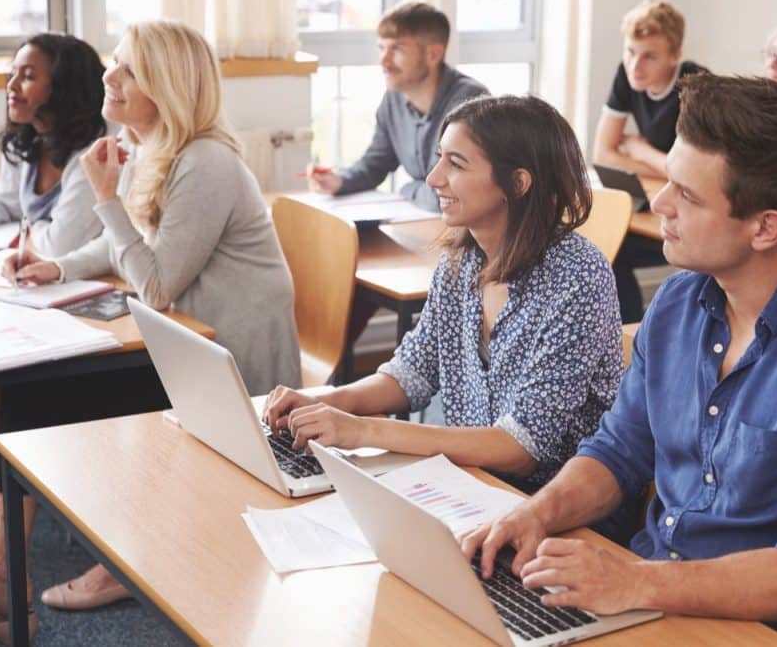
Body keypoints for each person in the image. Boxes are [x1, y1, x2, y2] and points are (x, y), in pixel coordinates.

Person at [462, 75, 777, 647]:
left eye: (687, 194)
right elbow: (620, 451)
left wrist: (636, 581)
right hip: (652, 597)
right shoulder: (681, 300)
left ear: (765, 228)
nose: (659, 203)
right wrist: (536, 513)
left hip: (753, 629)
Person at [0, 21, 301, 629]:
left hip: (226, 366)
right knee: (12, 398)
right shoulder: (155, 147)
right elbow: (125, 251)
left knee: (26, 403)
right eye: (115, 63)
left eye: (128, 69)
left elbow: (156, 283)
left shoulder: (206, 161)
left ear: (166, 85)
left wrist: (106, 195)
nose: (110, 77)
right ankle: (9, 579)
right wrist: (57, 264)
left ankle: (78, 569)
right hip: (177, 347)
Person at [264, 94, 624, 501]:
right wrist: (323, 401)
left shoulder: (579, 276)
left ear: (518, 183)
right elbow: (413, 373)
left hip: (552, 509)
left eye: (456, 164)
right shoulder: (461, 264)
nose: (434, 178)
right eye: (439, 158)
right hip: (472, 486)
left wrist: (362, 429)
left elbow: (523, 448)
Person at [307, 1, 488, 212]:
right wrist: (339, 181)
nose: (384, 61)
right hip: (428, 225)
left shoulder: (470, 103)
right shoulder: (393, 100)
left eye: (397, 49)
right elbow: (376, 164)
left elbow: (454, 193)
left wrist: (408, 189)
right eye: (382, 48)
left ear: (433, 55)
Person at [592, 0, 708, 324]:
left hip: (690, 212)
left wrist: (640, 151)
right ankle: (621, 336)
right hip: (657, 197)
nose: (635, 66)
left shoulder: (697, 85)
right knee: (605, 247)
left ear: (674, 56)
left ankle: (630, 333)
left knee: (613, 251)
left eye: (649, 56)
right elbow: (604, 153)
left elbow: (698, 171)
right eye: (630, 52)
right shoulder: (626, 75)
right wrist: (664, 163)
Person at [0, 33, 106, 255]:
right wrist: (29, 234)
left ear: (63, 87)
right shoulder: (25, 139)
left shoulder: (97, 152)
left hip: (91, 278)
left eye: (27, 77)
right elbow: (7, 205)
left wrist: (28, 233)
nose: (12, 86)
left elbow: (61, 245)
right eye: (12, 74)